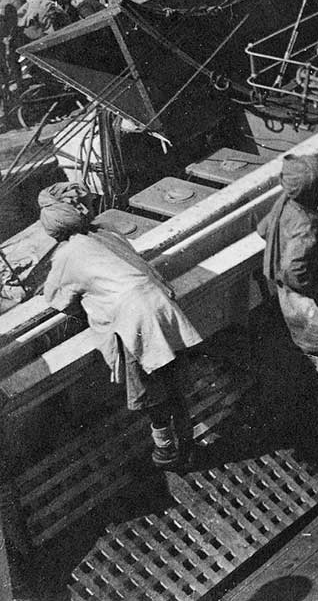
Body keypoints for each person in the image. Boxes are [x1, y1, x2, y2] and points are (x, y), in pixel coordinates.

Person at [40, 184, 202, 469]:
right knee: (174, 384)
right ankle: (187, 443)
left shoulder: (67, 255)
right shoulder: (107, 232)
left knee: (152, 394)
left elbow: (56, 298)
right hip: (161, 305)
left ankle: (166, 452)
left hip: (135, 320)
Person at [256, 154, 318, 427]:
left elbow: (262, 229)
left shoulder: (284, 203)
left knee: (307, 348)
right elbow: (294, 270)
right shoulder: (308, 225)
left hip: (287, 299)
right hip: (310, 303)